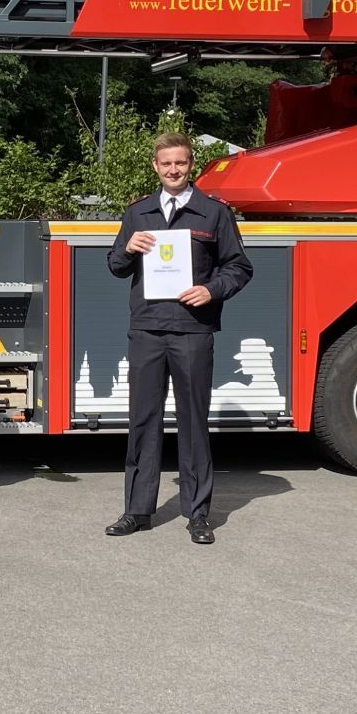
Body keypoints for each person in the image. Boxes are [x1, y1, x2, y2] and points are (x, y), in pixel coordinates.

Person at [104, 132, 253, 542]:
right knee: (143, 422)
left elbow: (239, 267)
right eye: (167, 163)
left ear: (191, 166)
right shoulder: (138, 213)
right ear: (155, 166)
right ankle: (137, 510)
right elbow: (115, 266)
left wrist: (212, 289)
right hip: (148, 330)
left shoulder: (213, 213)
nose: (174, 170)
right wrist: (128, 248)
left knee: (193, 423)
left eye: (181, 164)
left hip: (192, 330)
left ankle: (198, 514)